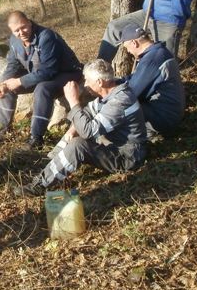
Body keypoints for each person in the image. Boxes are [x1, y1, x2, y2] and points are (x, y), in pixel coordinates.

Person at [15, 59, 148, 196]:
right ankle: (51, 161)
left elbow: (88, 132)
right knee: (75, 129)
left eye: (87, 81)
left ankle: (41, 185)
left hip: (128, 157)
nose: (85, 85)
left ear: (100, 82)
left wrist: (73, 101)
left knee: (80, 144)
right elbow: (85, 115)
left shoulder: (120, 101)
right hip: (113, 146)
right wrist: (72, 130)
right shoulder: (109, 94)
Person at [0, 10, 83, 151]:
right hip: (38, 74)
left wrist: (20, 81)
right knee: (8, 89)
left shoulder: (46, 37)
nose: (21, 32)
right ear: (11, 31)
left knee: (43, 88)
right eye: (16, 31)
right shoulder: (14, 41)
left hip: (66, 73)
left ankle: (36, 137)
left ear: (29, 22)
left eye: (24, 27)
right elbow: (13, 64)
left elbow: (48, 71)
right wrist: (4, 83)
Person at [118, 23, 185, 138]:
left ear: (134, 43)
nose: (128, 52)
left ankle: (136, 140)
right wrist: (116, 81)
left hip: (164, 117)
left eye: (126, 47)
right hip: (171, 110)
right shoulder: (159, 52)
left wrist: (107, 95)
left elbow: (132, 93)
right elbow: (136, 78)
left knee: (120, 107)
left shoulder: (152, 60)